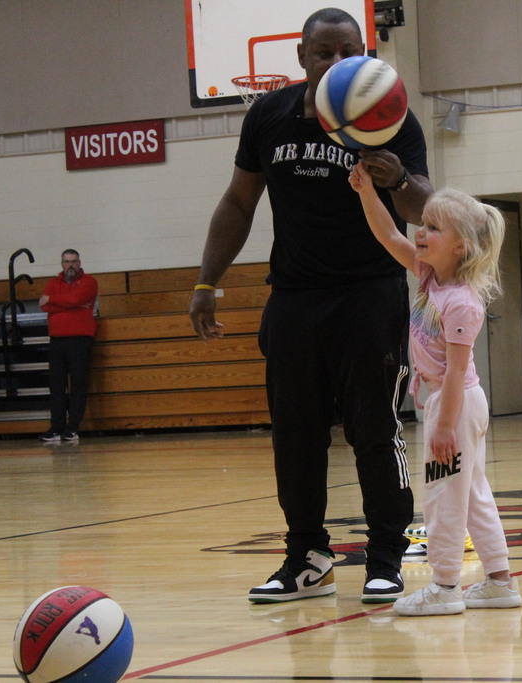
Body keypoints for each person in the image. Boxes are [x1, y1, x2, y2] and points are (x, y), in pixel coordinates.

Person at [189, 7, 432, 604]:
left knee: (374, 430)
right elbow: (239, 202)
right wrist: (205, 282)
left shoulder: (390, 116)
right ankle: (307, 559)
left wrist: (397, 177)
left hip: (370, 295)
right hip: (295, 298)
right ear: (302, 58)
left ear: (366, 56)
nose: (337, 61)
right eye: (324, 52)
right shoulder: (269, 115)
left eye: (349, 51)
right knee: (295, 436)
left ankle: (385, 558)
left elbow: (426, 207)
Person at [350, 163, 522, 616]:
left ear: (461, 245)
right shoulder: (430, 277)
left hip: (455, 405)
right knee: (473, 492)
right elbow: (389, 237)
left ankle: (445, 587)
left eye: (433, 228)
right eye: (422, 225)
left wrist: (443, 427)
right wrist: (368, 192)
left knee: (444, 496)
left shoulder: (462, 301)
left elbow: (456, 371)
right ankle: (500, 581)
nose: (420, 233)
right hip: (452, 404)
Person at [39, 249, 98, 443]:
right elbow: (44, 305)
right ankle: (56, 427)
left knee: (78, 385)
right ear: (61, 264)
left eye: (74, 261)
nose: (70, 265)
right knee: (56, 385)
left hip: (80, 340)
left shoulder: (90, 282)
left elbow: (76, 299)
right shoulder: (52, 283)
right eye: (66, 262)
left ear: (79, 263)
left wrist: (54, 300)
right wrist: (71, 304)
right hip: (57, 340)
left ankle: (72, 428)